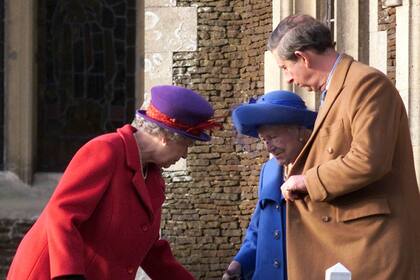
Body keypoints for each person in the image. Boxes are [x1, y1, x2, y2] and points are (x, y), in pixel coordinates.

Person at [7, 85, 221, 280]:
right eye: (186, 145)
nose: (184, 155)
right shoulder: (105, 150)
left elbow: (149, 249)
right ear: (167, 136)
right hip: (50, 273)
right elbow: (62, 215)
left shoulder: (154, 180)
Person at [268, 14, 420, 279]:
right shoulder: (338, 88)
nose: (289, 79)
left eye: (285, 68)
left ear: (303, 57)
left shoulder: (366, 84)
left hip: (369, 247)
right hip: (346, 247)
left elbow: (368, 160)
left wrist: (306, 181)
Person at [222, 91, 316, 280]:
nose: (269, 147)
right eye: (264, 140)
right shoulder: (269, 170)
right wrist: (238, 264)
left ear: (299, 129)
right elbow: (258, 230)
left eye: (273, 137)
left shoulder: (321, 169)